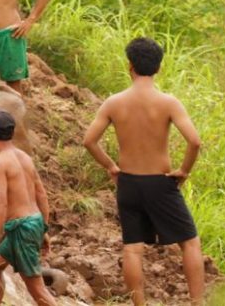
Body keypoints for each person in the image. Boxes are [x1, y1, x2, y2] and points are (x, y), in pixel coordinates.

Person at [82, 38, 204, 306]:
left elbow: (89, 141)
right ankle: (198, 303)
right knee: (190, 243)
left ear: (130, 66)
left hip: (128, 182)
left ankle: (139, 304)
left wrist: (111, 167)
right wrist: (183, 170)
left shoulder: (114, 103)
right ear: (158, 67)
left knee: (133, 248)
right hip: (160, 183)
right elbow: (194, 141)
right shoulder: (168, 102)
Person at [0, 110, 56, 306]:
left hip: (21, 228)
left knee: (38, 291)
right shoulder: (25, 158)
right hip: (31, 224)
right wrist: (44, 229)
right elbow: (42, 194)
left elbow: (1, 203)